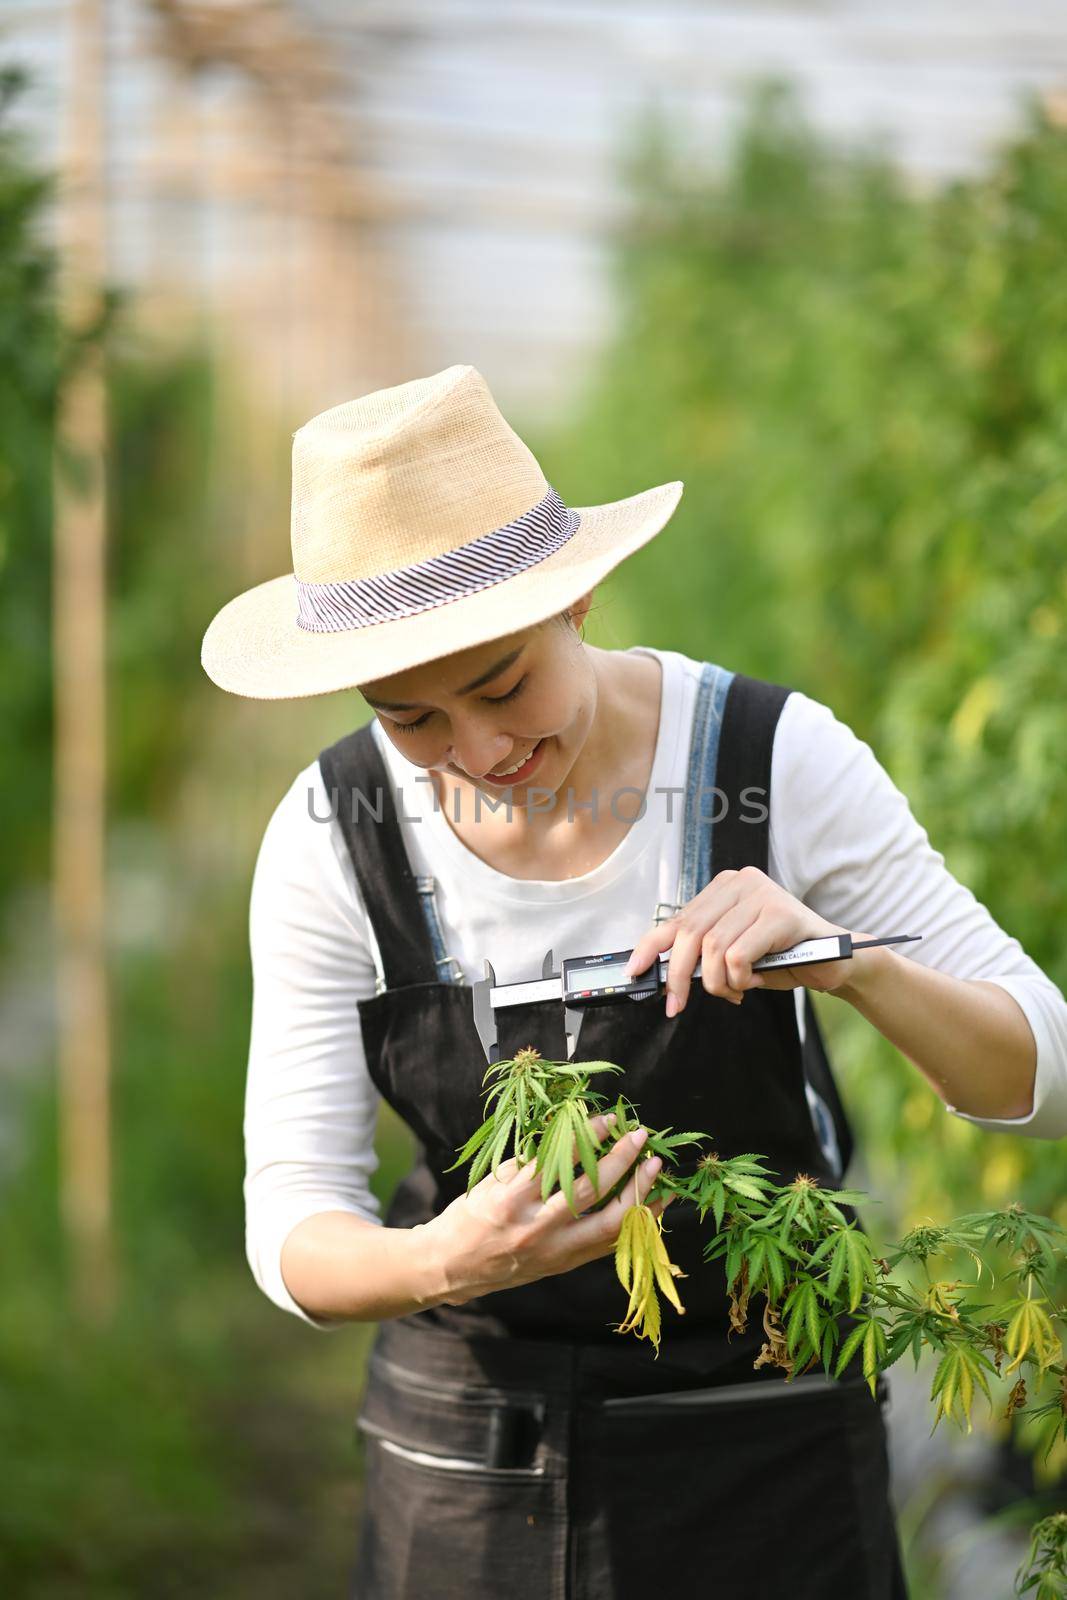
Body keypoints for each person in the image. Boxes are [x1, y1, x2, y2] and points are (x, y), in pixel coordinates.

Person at [201, 364, 1067, 1600]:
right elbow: (291, 1218)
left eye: (503, 683)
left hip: (770, 1440)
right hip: (468, 1460)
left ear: (579, 593)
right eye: (412, 719)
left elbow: (1044, 1070)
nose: (483, 754)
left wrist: (844, 961)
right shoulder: (331, 834)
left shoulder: (767, 764)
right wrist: (443, 1258)